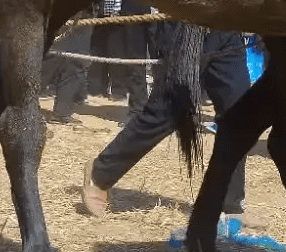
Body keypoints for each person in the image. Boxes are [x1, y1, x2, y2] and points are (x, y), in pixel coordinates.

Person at [82, 26, 257, 217]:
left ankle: (228, 203)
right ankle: (100, 173)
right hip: (187, 28)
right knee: (167, 112)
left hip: (226, 27)